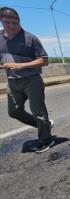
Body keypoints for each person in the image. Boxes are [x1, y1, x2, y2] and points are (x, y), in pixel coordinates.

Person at [0, 7, 54, 153]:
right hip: (12, 81)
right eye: (8, 22)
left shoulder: (29, 38)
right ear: (1, 21)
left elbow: (44, 60)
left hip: (31, 80)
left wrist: (19, 65)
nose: (12, 26)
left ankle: (46, 139)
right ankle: (45, 126)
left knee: (39, 112)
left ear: (19, 21)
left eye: (15, 22)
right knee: (14, 112)